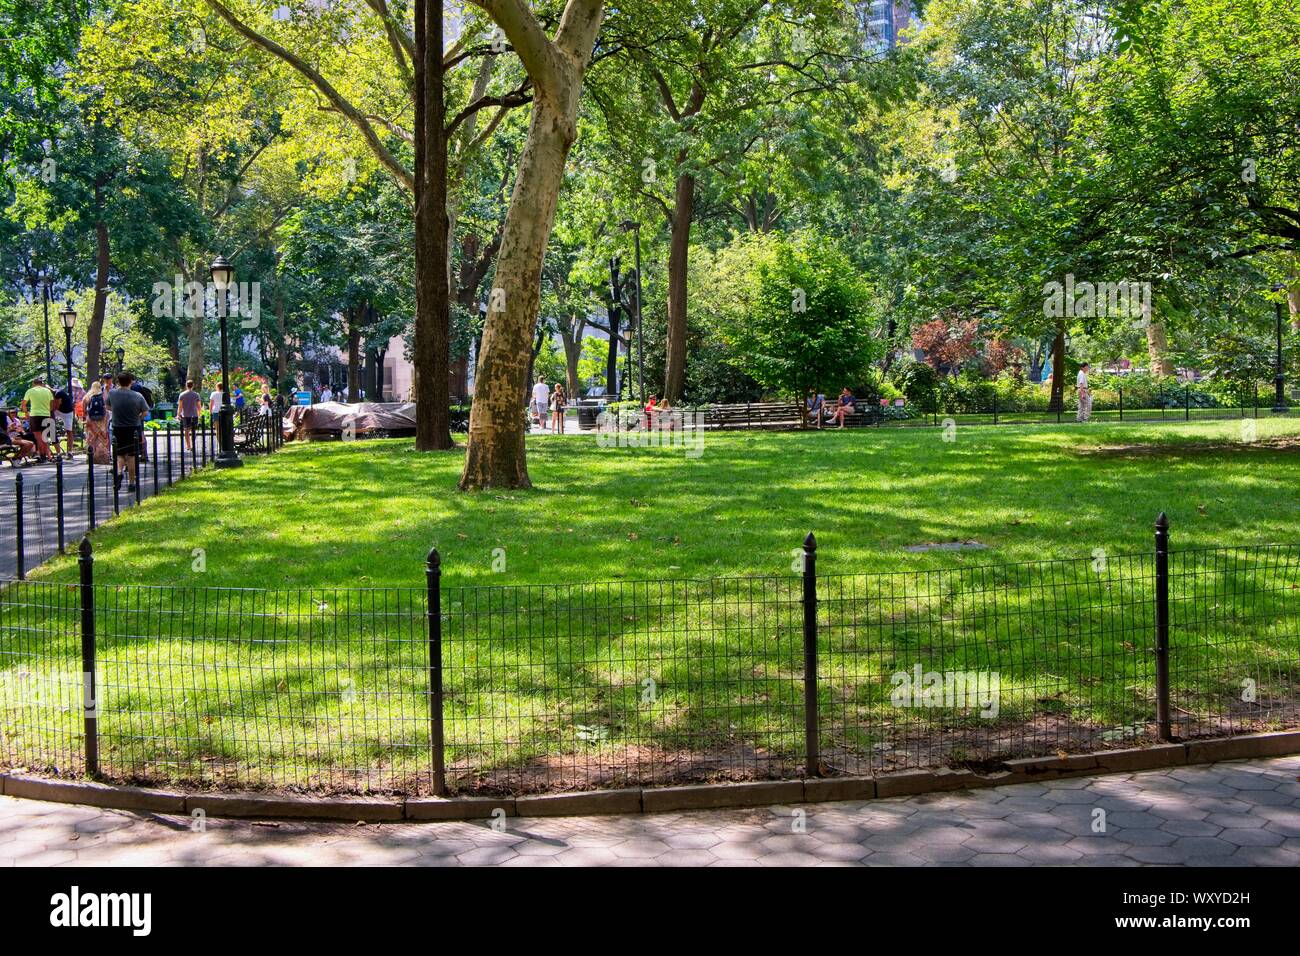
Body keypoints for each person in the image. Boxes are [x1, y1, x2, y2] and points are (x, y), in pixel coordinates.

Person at [107, 371, 150, 492]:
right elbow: (145, 412)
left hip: (117, 428)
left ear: (118, 382)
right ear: (130, 381)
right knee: (131, 456)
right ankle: (131, 483)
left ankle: (119, 472)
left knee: (119, 454)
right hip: (133, 428)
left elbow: (108, 406)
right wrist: (138, 417)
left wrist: (116, 411)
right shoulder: (137, 396)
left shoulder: (112, 394)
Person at [20, 375, 55, 461]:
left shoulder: (30, 391)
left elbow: (23, 404)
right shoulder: (48, 391)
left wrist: (26, 413)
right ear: (41, 383)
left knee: (38, 437)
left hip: (35, 415)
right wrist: (48, 411)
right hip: (46, 415)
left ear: (33, 384)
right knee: (45, 437)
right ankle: (49, 456)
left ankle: (41, 455)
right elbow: (52, 405)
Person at [83, 380, 111, 465]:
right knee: (102, 438)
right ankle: (103, 457)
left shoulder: (87, 396)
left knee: (91, 438)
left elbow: (84, 409)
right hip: (102, 420)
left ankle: (91, 457)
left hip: (91, 420)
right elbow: (106, 408)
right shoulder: (103, 396)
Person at [51, 380, 75, 457]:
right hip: (58, 410)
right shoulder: (49, 394)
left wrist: (51, 412)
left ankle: (70, 451)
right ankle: (52, 434)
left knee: (69, 431)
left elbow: (56, 406)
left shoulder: (58, 393)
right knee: (50, 424)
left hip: (67, 412)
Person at [178, 380, 202, 451]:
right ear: (193, 385)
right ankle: (193, 444)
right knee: (193, 430)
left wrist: (178, 414)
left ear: (186, 385)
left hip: (185, 414)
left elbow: (180, 406)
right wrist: (199, 413)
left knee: (186, 430)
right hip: (194, 414)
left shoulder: (182, 395)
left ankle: (188, 445)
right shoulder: (196, 394)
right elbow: (199, 406)